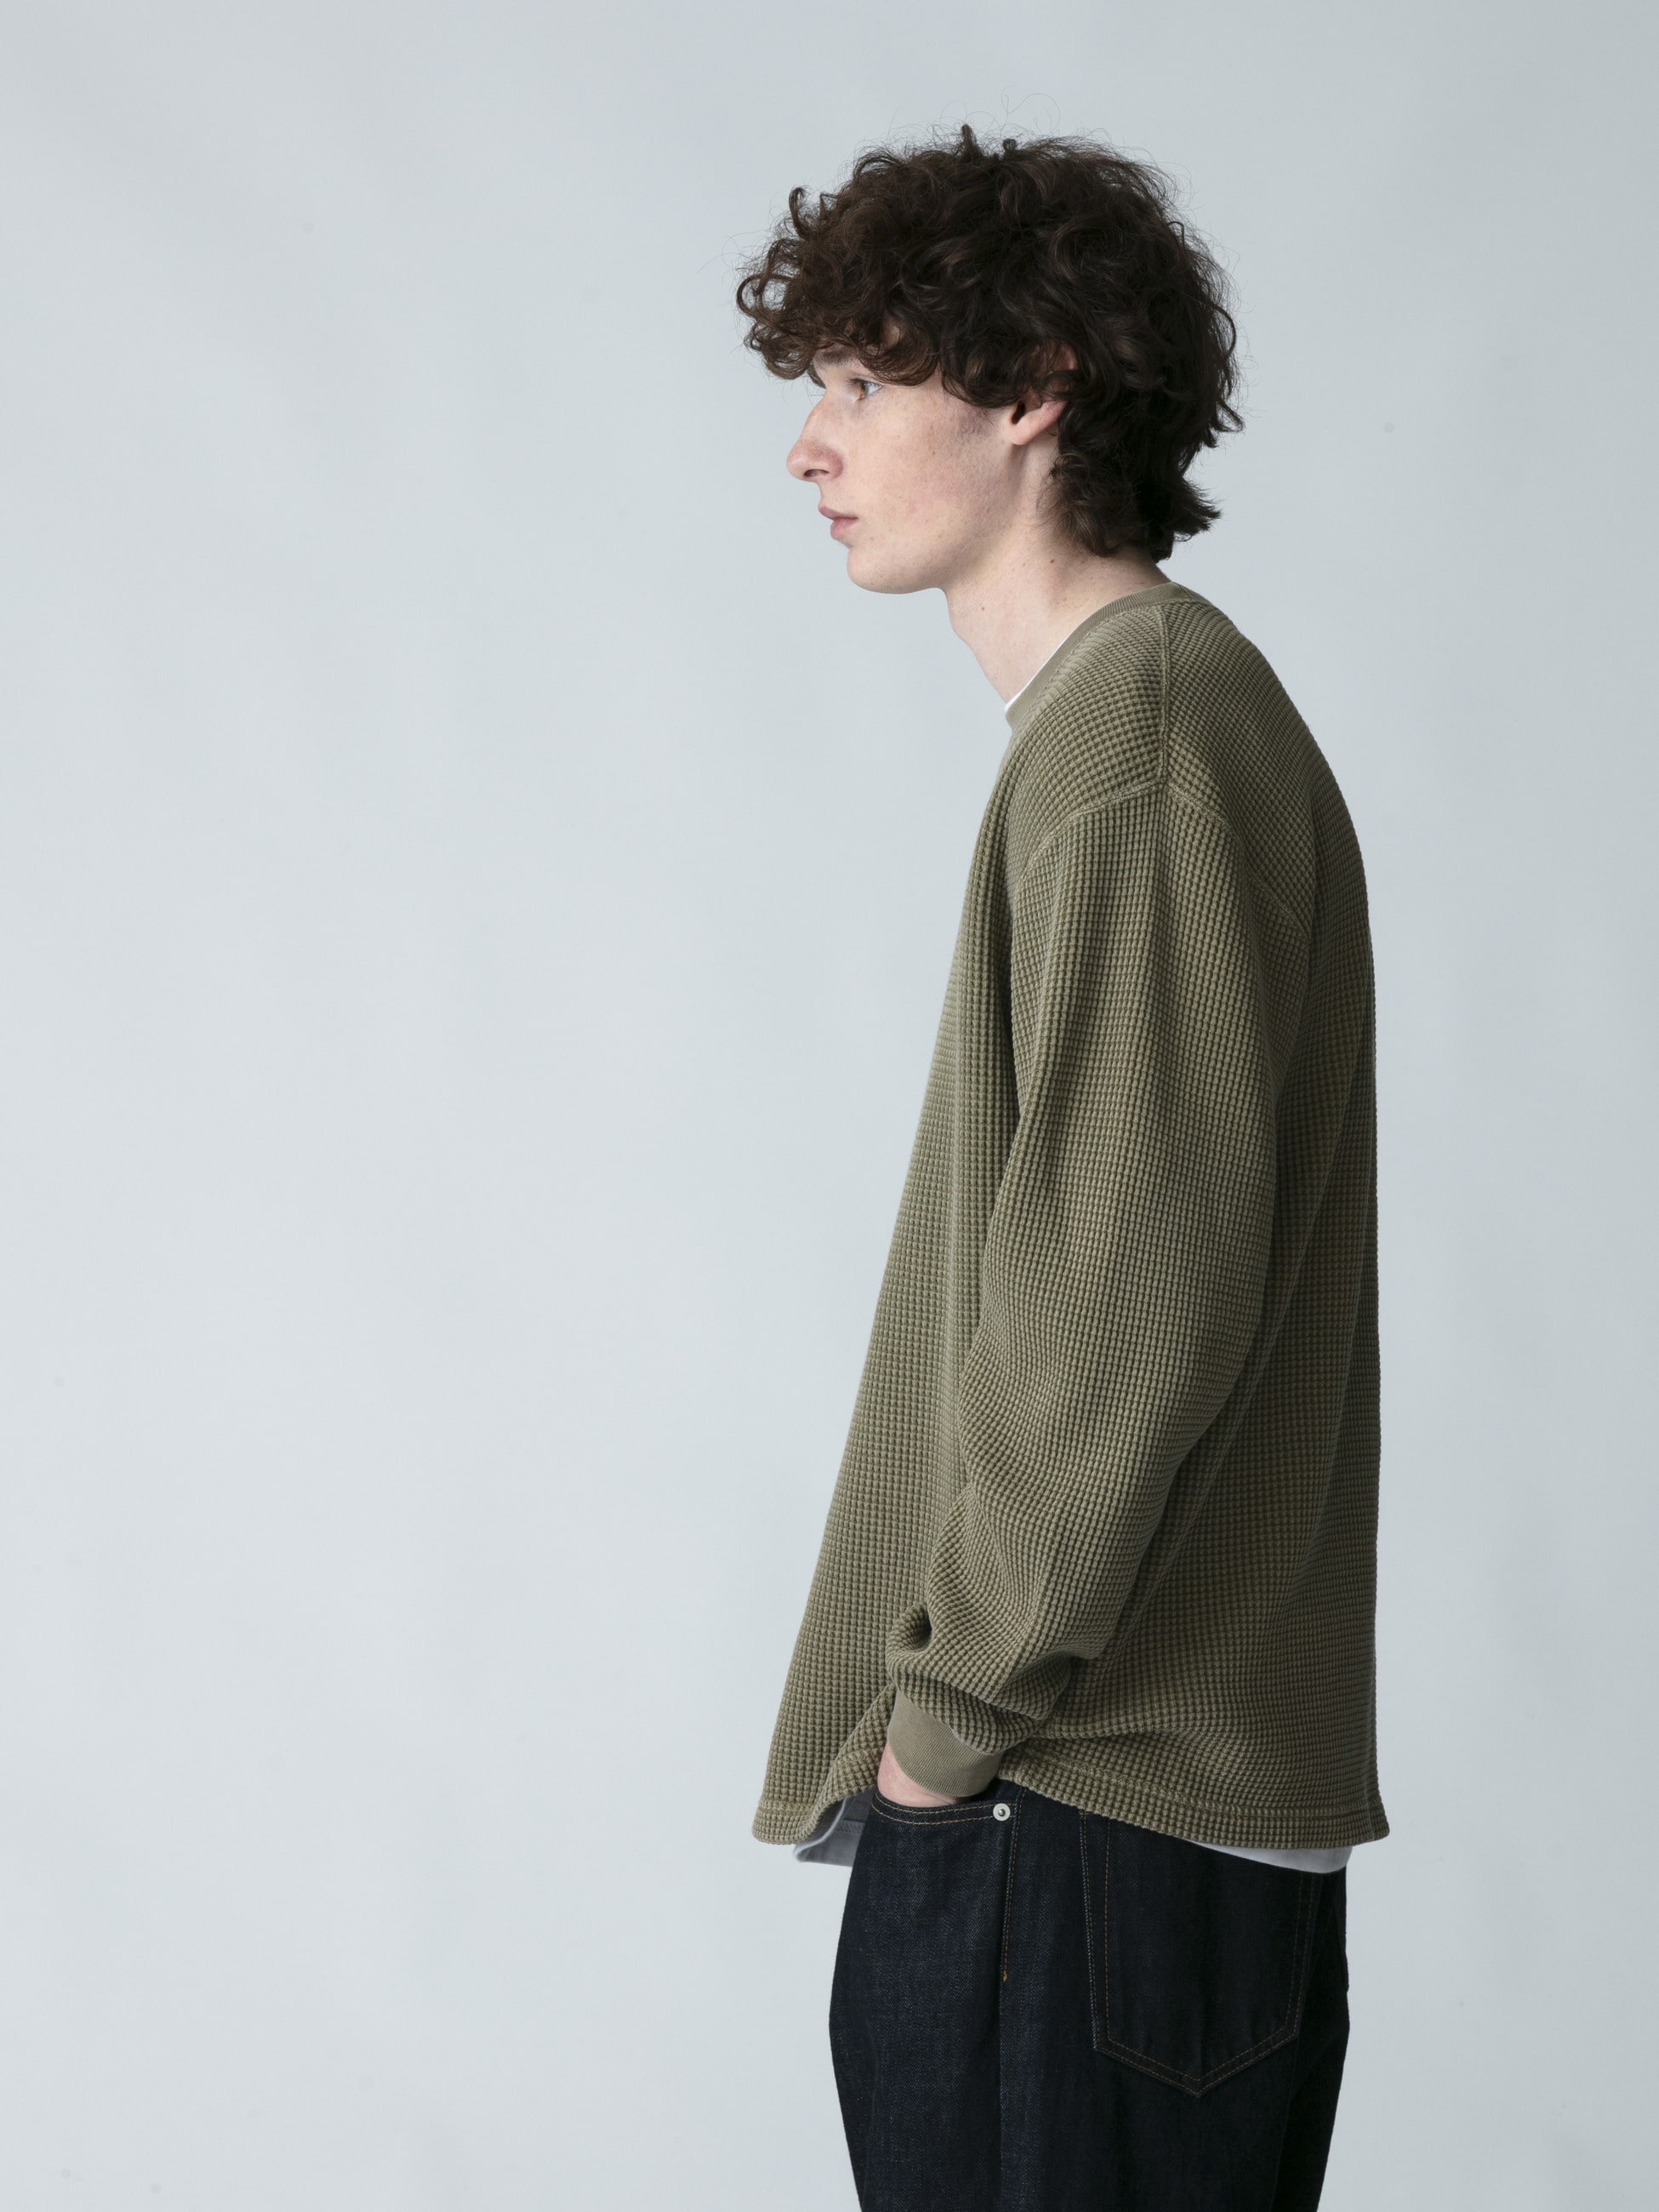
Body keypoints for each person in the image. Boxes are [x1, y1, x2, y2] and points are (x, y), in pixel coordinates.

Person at [736, 125, 1386, 2211]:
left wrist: (941, 1732)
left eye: (861, 382)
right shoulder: (1137, 726)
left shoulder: (1144, 742)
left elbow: (1125, 1298)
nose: (812, 445)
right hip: (1110, 1829)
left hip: (1079, 1813)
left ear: (1033, 390)